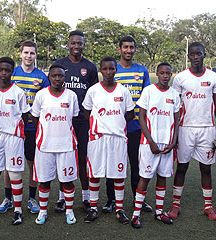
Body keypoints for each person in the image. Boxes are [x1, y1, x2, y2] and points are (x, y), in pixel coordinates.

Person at [168, 42, 216, 221]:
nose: (195, 57)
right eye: (192, 54)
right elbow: (175, 107)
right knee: (182, 167)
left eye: (198, 54)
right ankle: (175, 205)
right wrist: (175, 133)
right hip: (185, 129)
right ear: (188, 56)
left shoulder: (213, 77)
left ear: (203, 55)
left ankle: (208, 206)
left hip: (207, 129)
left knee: (206, 169)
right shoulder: (180, 78)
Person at [0, 40, 49, 214]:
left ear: (35, 55)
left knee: (32, 163)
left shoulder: (41, 76)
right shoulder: (12, 73)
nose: (29, 56)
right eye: (26, 52)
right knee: (9, 166)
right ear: (20, 54)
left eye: (32, 53)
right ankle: (8, 198)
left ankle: (32, 199)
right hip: (12, 129)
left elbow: (47, 99)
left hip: (33, 128)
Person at [82, 56, 135, 224]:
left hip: (118, 138)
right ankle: (93, 208)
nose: (108, 72)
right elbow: (86, 112)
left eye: (111, 69)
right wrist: (101, 125)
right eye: (105, 69)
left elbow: (130, 113)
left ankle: (120, 209)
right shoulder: (93, 90)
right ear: (100, 70)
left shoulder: (123, 91)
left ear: (116, 70)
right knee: (95, 173)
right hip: (97, 137)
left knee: (118, 174)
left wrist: (115, 124)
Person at [104, 35, 152, 213]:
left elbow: (147, 98)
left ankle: (138, 199)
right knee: (112, 164)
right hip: (114, 128)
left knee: (136, 165)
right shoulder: (112, 69)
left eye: (131, 47)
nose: (128, 50)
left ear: (135, 49)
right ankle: (110, 200)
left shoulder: (142, 71)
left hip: (136, 127)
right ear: (119, 49)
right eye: (125, 47)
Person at [0, 57, 31, 225]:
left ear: (12, 72)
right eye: (1, 70)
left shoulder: (18, 92)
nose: (3, 73)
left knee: (15, 173)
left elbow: (24, 115)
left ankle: (17, 211)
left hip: (13, 137)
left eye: (7, 70)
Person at [130, 62, 180, 228]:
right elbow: (141, 117)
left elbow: (177, 119)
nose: (165, 76)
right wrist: (150, 141)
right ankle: (136, 214)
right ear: (157, 74)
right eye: (162, 73)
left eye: (168, 73)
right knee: (145, 177)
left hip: (167, 143)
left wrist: (173, 142)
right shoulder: (149, 91)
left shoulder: (174, 94)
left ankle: (159, 212)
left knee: (163, 177)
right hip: (149, 143)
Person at [54, 30, 99, 212]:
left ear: (83, 44)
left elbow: (95, 94)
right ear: (68, 44)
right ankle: (62, 197)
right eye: (73, 43)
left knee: (82, 159)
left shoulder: (90, 67)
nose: (76, 46)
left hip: (82, 121)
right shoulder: (59, 65)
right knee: (64, 158)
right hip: (63, 121)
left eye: (79, 43)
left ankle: (86, 197)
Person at [31, 64, 80, 225]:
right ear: (49, 77)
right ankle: (43, 212)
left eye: (60, 76)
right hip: (45, 145)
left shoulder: (71, 95)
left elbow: (73, 117)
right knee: (44, 180)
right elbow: (36, 117)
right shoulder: (41, 95)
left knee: (67, 180)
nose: (57, 79)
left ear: (64, 78)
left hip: (66, 145)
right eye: (54, 76)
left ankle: (69, 211)